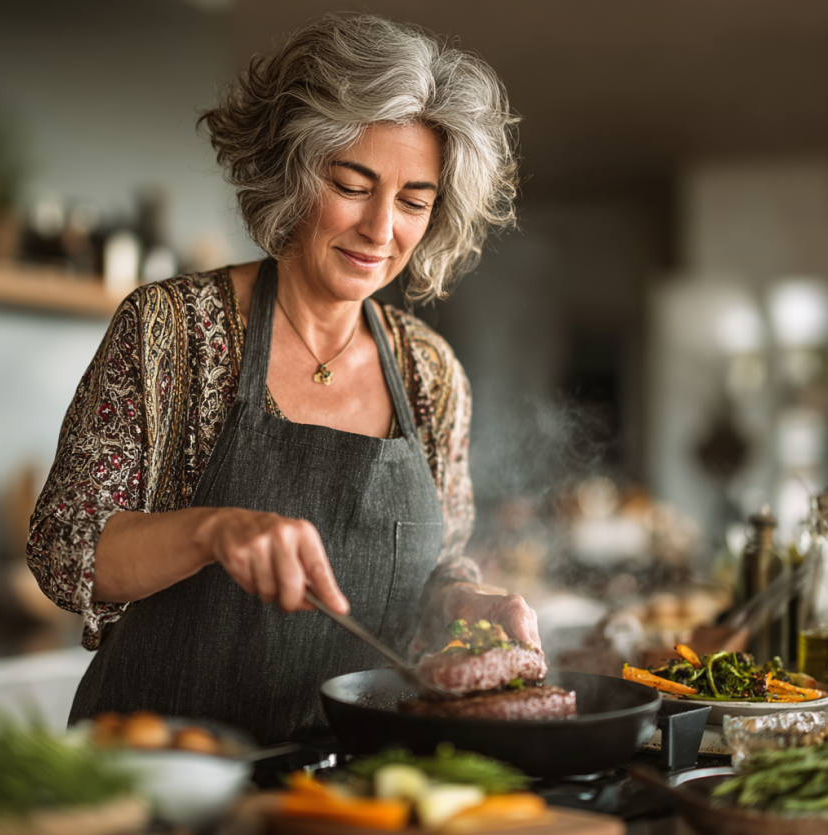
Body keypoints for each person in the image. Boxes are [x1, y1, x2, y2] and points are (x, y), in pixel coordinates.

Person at [26, 13, 538, 745]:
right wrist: (212, 529)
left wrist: (466, 599)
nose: (380, 228)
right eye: (352, 185)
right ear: (292, 169)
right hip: (161, 769)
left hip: (354, 780)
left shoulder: (430, 374)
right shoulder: (174, 331)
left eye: (414, 202)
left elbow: (432, 568)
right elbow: (64, 549)